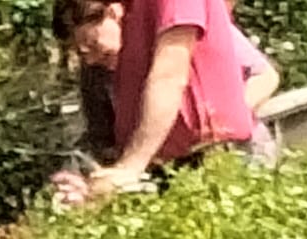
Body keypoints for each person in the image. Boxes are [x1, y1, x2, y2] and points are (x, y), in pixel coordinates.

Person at [54, 0, 277, 182]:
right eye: (82, 54)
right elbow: (103, 142)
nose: (92, 59)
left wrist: (219, 119)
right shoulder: (96, 73)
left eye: (93, 44)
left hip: (226, 151)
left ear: (113, 13)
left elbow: (265, 76)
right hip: (168, 167)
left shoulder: (175, 19)